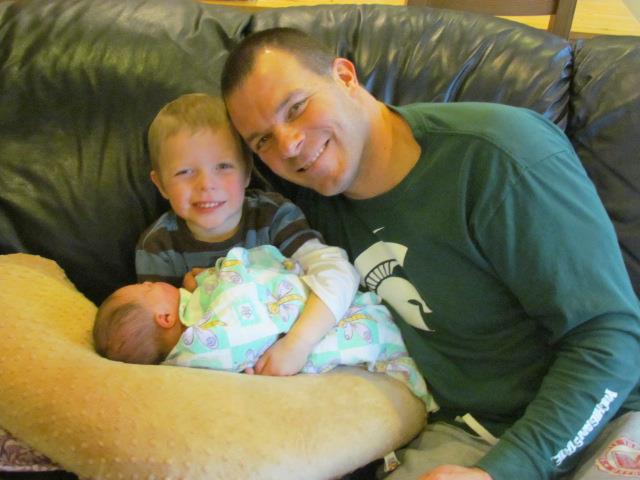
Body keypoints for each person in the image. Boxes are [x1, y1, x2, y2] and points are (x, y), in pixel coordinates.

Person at [220, 28, 640, 480]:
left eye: (297, 108)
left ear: (344, 76)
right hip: (465, 433)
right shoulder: (302, 210)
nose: (288, 145)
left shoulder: (500, 157)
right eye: (262, 141)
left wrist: (504, 471)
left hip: (603, 419)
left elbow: (611, 338)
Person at [136, 93, 362, 376]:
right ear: (160, 184)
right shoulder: (158, 248)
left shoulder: (274, 218)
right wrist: (193, 301)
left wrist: (298, 343)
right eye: (184, 172)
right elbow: (157, 339)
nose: (206, 185)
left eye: (223, 167)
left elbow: (337, 272)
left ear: (247, 172)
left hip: (296, 349)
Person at [93, 245, 433, 406]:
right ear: (165, 318)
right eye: (146, 288)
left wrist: (205, 286)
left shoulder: (190, 320)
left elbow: (215, 302)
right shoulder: (197, 351)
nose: (150, 282)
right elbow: (242, 316)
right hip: (302, 333)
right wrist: (226, 276)